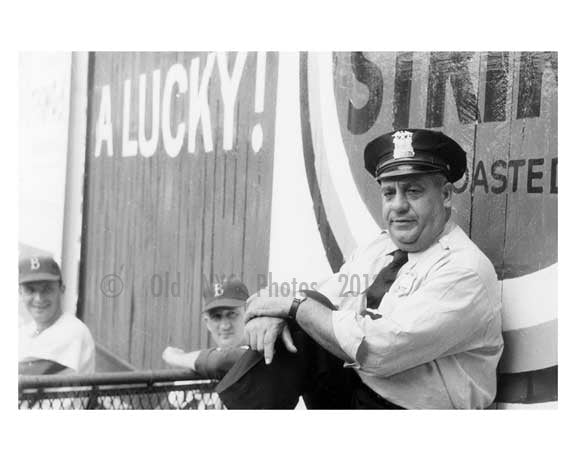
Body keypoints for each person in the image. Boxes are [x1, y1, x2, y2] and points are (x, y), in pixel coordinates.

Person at [217, 128, 504, 409]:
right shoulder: (379, 251)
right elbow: (326, 294)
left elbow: (381, 351)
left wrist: (294, 308)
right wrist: (268, 311)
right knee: (303, 315)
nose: (399, 206)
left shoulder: (464, 269)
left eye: (413, 191)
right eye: (389, 193)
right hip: (358, 393)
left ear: (445, 195)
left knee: (304, 312)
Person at [19, 255, 95, 375]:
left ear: (62, 290)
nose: (39, 299)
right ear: (20, 293)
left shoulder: (73, 330)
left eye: (47, 289)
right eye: (30, 290)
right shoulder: (24, 331)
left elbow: (29, 374)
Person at [162, 279, 249, 379]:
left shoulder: (262, 349)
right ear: (207, 323)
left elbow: (222, 362)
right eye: (217, 317)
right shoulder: (196, 368)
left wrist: (176, 357)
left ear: (248, 314)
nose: (225, 326)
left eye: (232, 314)